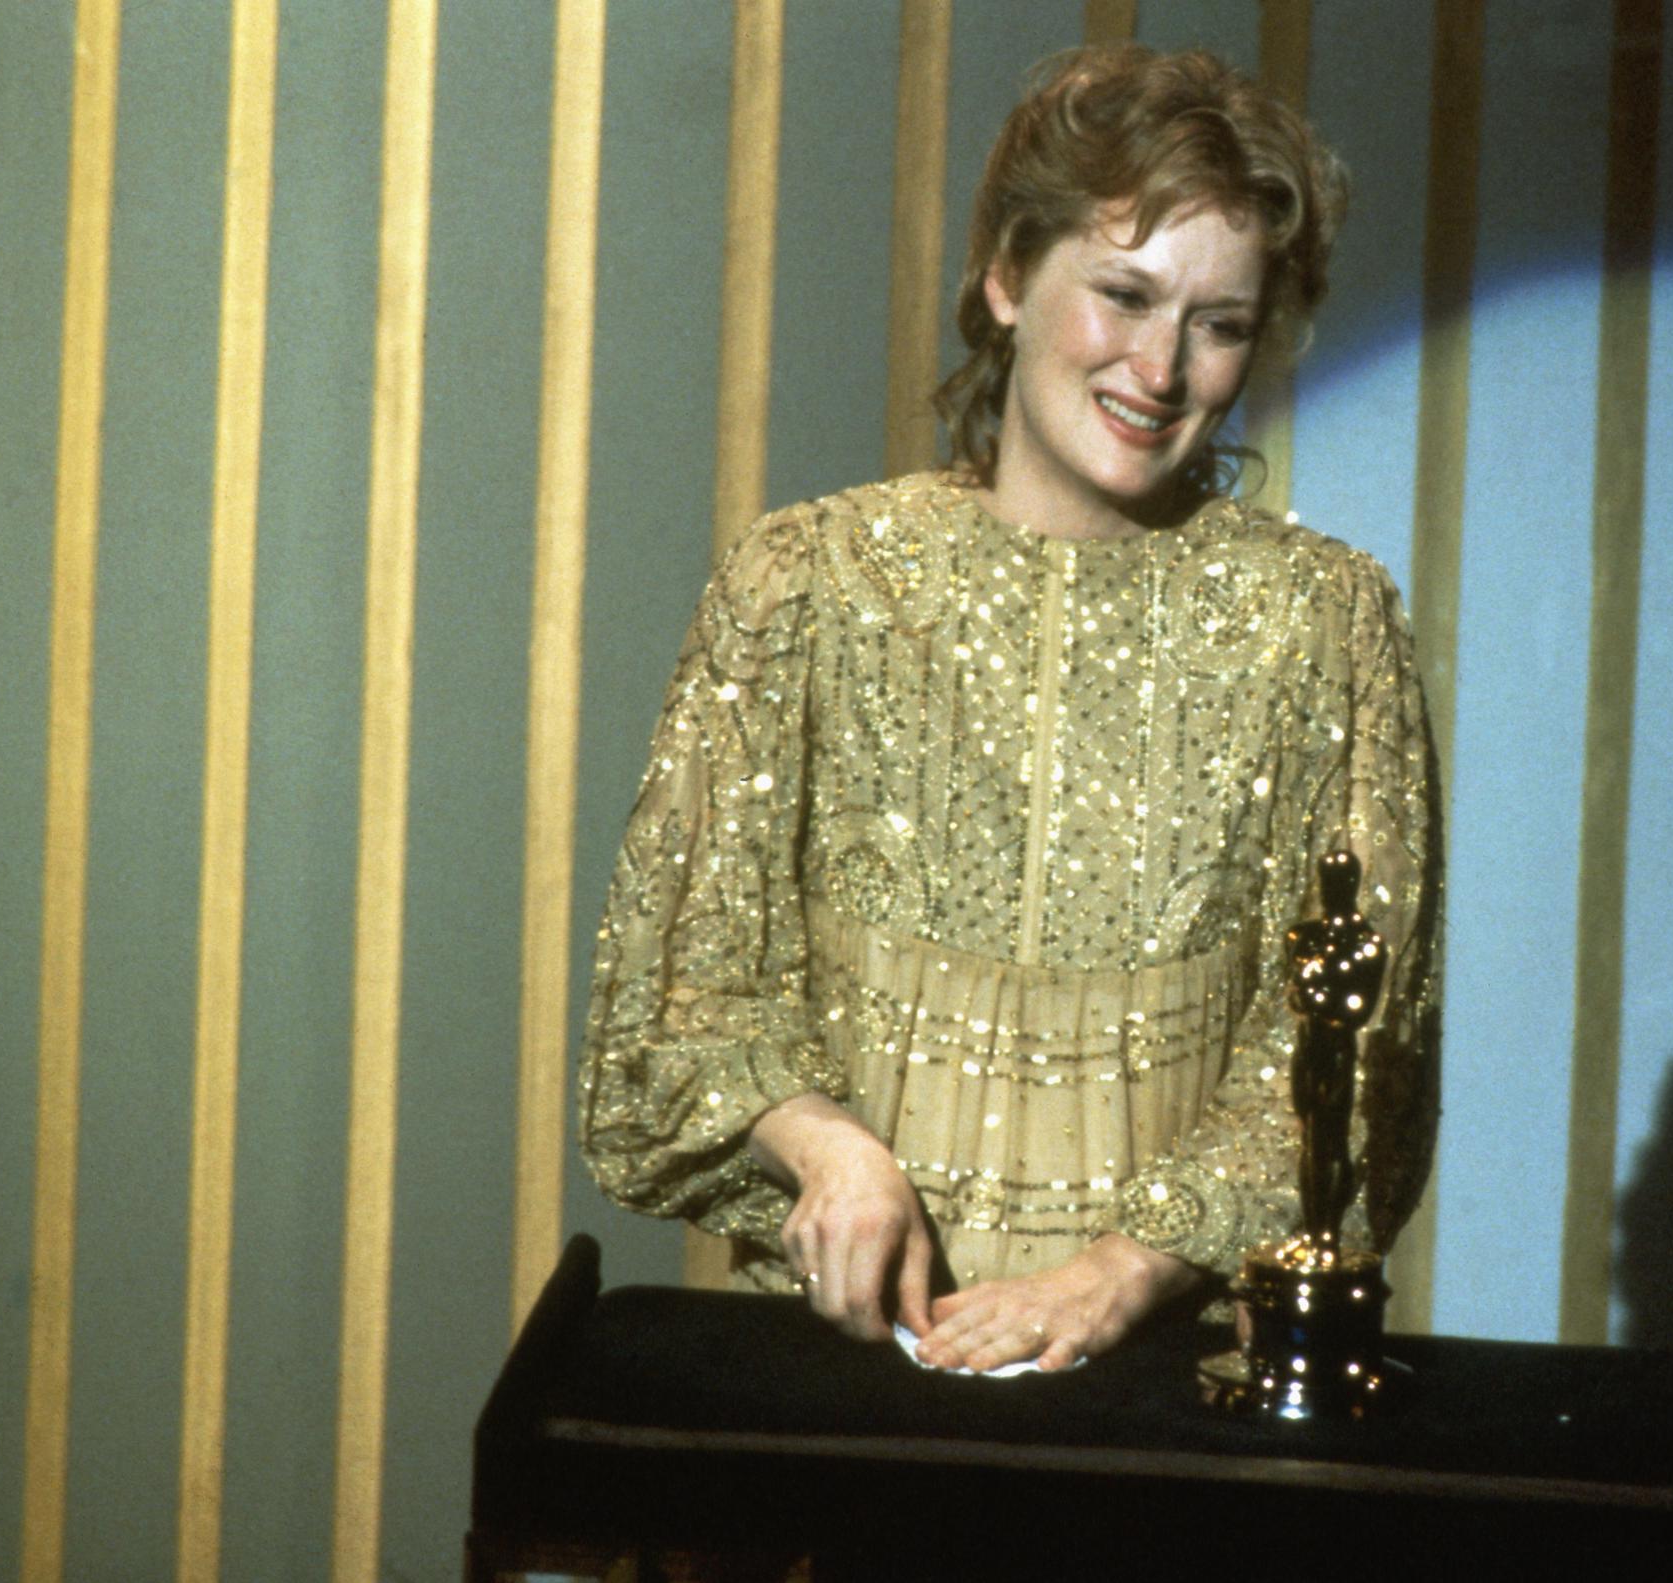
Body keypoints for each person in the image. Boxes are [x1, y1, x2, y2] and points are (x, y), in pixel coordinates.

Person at [577, 44, 1440, 1374]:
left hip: (1157, 1388)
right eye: (1122, 294)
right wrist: (832, 1148)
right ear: (1002, 279)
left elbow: (1345, 1056)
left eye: (1217, 323)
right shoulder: (806, 581)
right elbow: (687, 998)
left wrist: (1115, 1278)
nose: (1161, 366)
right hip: (841, 1364)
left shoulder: (1321, 624)